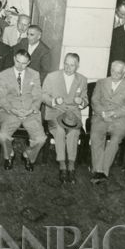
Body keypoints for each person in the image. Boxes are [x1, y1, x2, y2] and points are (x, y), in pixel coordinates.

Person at [42, 53, 89, 184]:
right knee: (60, 131)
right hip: (55, 112)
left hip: (73, 114)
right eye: (66, 64)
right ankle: (62, 164)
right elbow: (43, 95)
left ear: (77, 66)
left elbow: (85, 100)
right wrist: (54, 101)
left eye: (72, 65)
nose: (68, 67)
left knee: (74, 132)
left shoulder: (82, 79)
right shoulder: (52, 77)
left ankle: (71, 165)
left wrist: (81, 102)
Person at [0, 50, 45, 171]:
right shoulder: (3, 75)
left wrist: (31, 110)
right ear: (14, 59)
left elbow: (38, 96)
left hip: (30, 112)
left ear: (28, 62)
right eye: (17, 61)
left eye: (23, 63)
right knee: (2, 136)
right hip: (10, 112)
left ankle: (28, 155)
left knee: (41, 139)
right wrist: (13, 110)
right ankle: (9, 155)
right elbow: (1, 98)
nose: (19, 65)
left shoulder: (34, 74)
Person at [89, 61, 125, 183]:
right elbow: (94, 101)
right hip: (101, 116)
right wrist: (103, 113)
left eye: (118, 73)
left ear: (124, 74)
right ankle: (99, 170)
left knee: (115, 140)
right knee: (95, 136)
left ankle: (102, 171)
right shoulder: (101, 82)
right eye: (112, 71)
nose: (114, 75)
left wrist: (114, 113)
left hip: (120, 119)